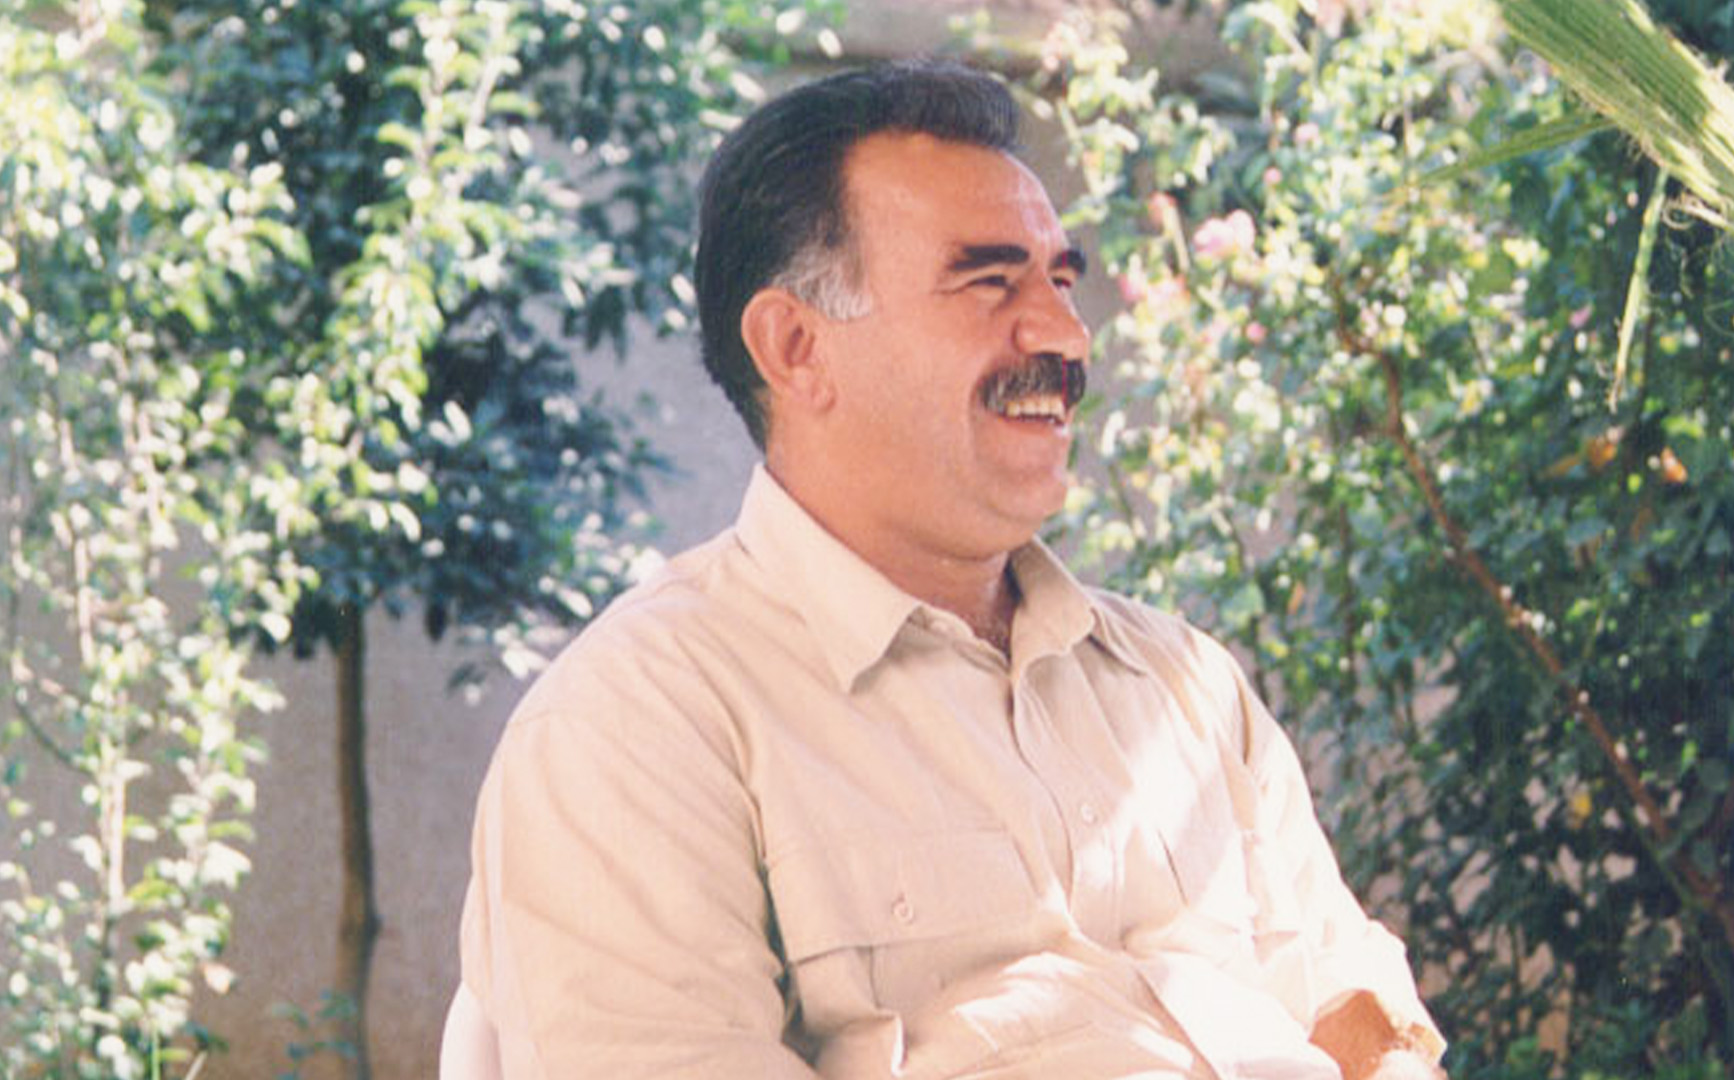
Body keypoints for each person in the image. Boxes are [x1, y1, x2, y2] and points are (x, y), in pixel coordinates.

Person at [454, 59, 1446, 1079]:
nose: (1065, 334)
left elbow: (1354, 997)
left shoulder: (1184, 687)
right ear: (796, 347)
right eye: (988, 282)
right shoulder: (641, 727)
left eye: (1061, 281)